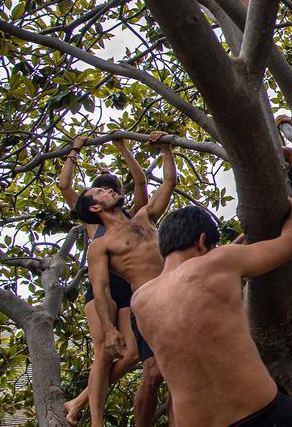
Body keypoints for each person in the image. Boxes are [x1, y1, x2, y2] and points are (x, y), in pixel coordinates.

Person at [130, 201, 292, 425]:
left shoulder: (140, 301)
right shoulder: (220, 261)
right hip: (259, 415)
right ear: (203, 241)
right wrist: (290, 204)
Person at [80, 132, 178, 426]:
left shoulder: (144, 216)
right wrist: (109, 330)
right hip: (146, 304)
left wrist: (166, 149)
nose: (108, 190)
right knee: (154, 371)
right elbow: (100, 289)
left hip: (176, 296)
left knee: (178, 374)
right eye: (100, 192)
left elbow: (169, 183)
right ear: (95, 208)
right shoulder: (101, 245)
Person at [58, 135, 155, 426]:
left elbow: (141, 184)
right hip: (103, 290)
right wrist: (75, 148)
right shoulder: (93, 220)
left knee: (133, 353)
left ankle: (78, 400)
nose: (110, 192)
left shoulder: (133, 217)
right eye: (102, 189)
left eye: (113, 188)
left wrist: (123, 147)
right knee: (103, 352)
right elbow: (64, 186)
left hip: (129, 290)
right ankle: (95, 420)